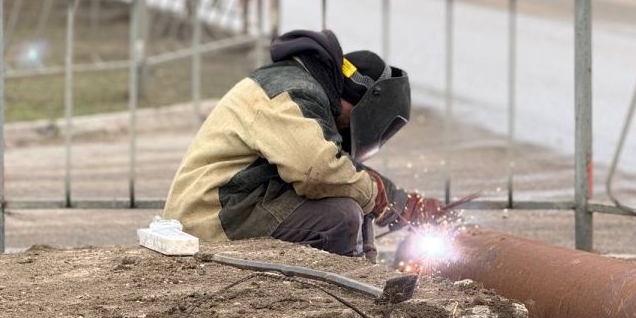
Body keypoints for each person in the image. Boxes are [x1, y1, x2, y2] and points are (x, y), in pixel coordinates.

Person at [163, 29, 444, 256]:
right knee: (341, 216)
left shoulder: (303, 84)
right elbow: (318, 171)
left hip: (228, 207)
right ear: (366, 106)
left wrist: (395, 198)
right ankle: (326, 300)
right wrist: (374, 195)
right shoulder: (296, 93)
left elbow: (335, 164)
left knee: (348, 196)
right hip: (210, 221)